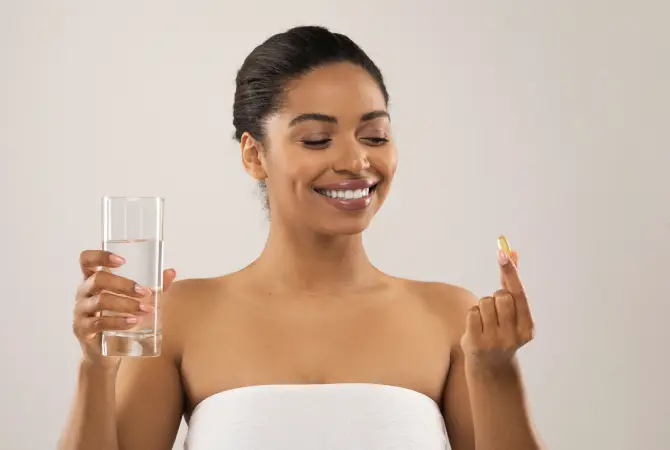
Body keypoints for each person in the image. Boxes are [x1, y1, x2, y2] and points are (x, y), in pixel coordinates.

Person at [60, 25, 542, 450]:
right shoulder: (178, 316)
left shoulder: (449, 317)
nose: (356, 162)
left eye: (374, 136)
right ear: (254, 155)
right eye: (316, 139)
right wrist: (96, 368)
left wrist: (495, 371)